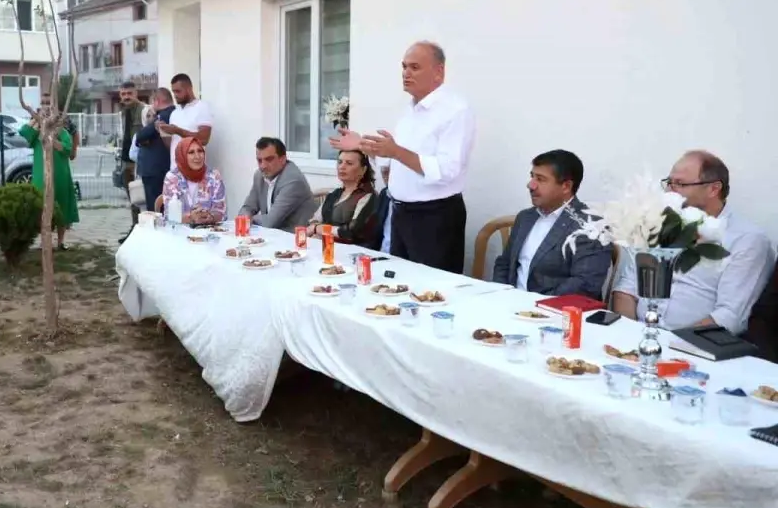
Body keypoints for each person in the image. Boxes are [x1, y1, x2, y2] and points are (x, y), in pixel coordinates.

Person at [331, 41, 475, 273]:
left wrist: (395, 152)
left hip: (433, 217)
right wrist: (364, 146)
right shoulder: (409, 110)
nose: (406, 73)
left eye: (415, 67)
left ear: (438, 71)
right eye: (404, 66)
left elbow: (447, 170)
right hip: (400, 213)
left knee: (431, 288)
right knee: (401, 283)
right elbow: (397, 159)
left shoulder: (455, 110)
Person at [612, 151, 775, 335]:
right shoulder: (658, 223)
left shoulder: (747, 240)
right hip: (637, 336)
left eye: (680, 184)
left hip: (694, 345)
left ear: (713, 189)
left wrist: (668, 343)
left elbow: (730, 317)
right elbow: (626, 289)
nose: (669, 191)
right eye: (669, 183)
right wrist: (629, 335)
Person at [492, 150, 611, 299]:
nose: (531, 185)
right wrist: (501, 295)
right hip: (509, 303)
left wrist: (532, 305)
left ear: (566, 186)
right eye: (532, 176)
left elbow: (585, 284)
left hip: (554, 309)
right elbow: (504, 264)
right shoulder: (525, 217)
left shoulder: (591, 227)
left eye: (540, 179)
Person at [19, 102, 79, 250]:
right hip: (41, 175)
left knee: (62, 207)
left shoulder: (63, 133)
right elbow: (23, 131)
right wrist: (36, 119)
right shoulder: (37, 134)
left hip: (60, 176)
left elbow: (67, 150)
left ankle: (61, 241)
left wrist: (53, 140)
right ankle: (45, 241)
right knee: (42, 207)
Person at [238, 137, 317, 232]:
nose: (263, 166)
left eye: (269, 159)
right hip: (271, 234)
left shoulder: (293, 180)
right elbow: (248, 207)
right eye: (259, 160)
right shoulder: (259, 176)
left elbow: (270, 222)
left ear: (283, 159)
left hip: (295, 236)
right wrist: (246, 215)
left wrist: (250, 219)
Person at [307, 150, 383, 248]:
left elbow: (351, 232)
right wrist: (315, 228)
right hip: (327, 246)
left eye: (349, 163)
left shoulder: (369, 197)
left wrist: (318, 229)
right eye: (340, 162)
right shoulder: (335, 194)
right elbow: (314, 220)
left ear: (363, 170)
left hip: (354, 251)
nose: (342, 167)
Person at [159, 137, 226, 225]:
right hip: (180, 230)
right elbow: (169, 215)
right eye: (191, 152)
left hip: (208, 230)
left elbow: (221, 212)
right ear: (182, 155)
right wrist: (190, 218)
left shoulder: (214, 177)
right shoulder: (172, 178)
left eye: (200, 151)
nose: (197, 156)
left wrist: (211, 217)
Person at [133, 88, 176, 214]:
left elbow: (141, 136)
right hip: (157, 170)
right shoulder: (170, 114)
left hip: (156, 171)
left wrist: (141, 138)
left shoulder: (165, 115)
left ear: (157, 101)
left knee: (155, 209)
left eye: (153, 102)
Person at [158, 73, 213, 170]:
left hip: (194, 171)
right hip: (175, 170)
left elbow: (204, 139)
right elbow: (172, 146)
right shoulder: (175, 113)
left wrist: (177, 130)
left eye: (178, 91)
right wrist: (162, 132)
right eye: (173, 92)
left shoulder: (202, 107)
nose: (175, 95)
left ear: (189, 89)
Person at [117, 82, 144, 242]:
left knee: (141, 199)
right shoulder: (124, 112)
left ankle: (141, 232)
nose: (126, 97)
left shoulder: (144, 111)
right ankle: (135, 229)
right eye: (123, 94)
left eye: (129, 93)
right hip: (126, 161)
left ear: (136, 94)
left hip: (139, 163)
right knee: (133, 199)